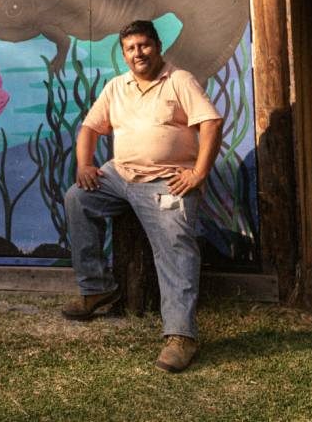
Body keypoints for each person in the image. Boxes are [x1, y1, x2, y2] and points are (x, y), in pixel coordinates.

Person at [61, 19, 223, 373]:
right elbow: (89, 127)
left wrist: (199, 172)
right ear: (123, 54)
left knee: (176, 244)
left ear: (158, 46)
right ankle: (96, 288)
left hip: (167, 180)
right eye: (131, 48)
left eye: (144, 45)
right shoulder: (117, 86)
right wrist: (85, 164)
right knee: (78, 198)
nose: (138, 53)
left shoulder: (179, 80)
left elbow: (210, 123)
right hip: (120, 175)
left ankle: (181, 336)